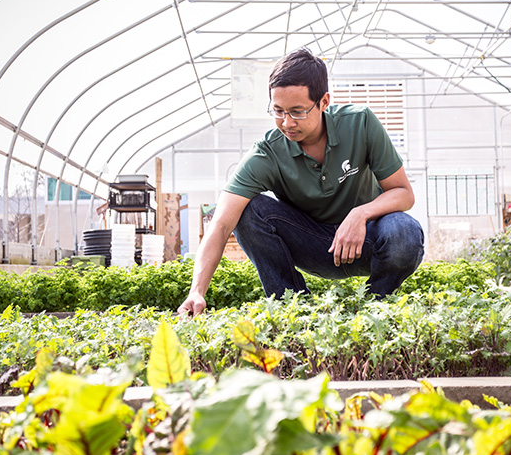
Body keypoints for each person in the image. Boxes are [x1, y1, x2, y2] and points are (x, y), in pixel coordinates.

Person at [177, 48, 424, 317]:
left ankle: (373, 312)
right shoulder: (267, 153)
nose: (287, 123)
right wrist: (196, 291)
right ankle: (294, 312)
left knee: (405, 232)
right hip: (312, 244)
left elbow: (403, 193)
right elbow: (221, 223)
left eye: (298, 112)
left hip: (366, 240)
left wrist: (359, 214)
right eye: (278, 111)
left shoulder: (360, 123)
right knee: (246, 210)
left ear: (324, 102)